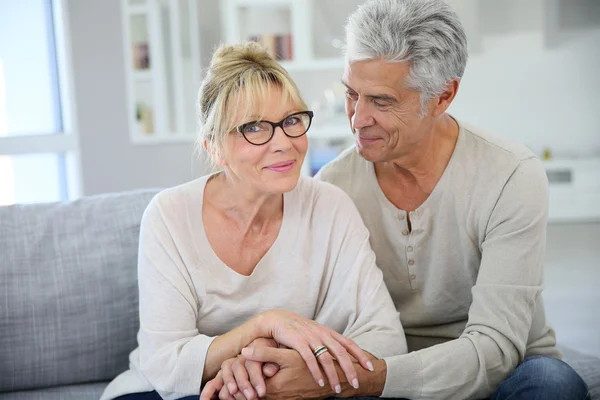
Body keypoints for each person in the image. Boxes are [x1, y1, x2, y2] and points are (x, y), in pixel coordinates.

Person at [229, 0, 591, 399]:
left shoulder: (510, 176)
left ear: (443, 96)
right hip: (381, 367)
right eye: (352, 94)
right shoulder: (335, 185)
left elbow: (496, 348)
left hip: (495, 373)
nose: (357, 118)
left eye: (381, 101)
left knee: (553, 385)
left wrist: (372, 379)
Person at [99, 41, 407, 400]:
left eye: (292, 121)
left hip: (289, 387)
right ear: (213, 146)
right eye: (255, 128)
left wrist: (268, 363)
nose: (283, 143)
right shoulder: (169, 216)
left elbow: (386, 339)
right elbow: (165, 364)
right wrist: (262, 327)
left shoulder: (329, 206)